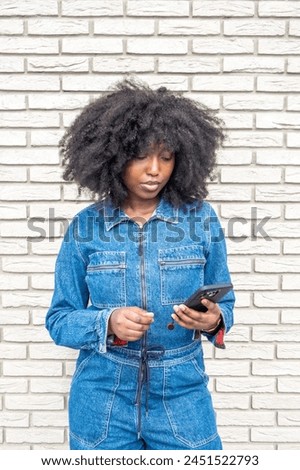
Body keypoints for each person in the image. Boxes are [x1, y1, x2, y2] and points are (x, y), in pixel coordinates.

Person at [46, 79, 235, 450]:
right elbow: (59, 319)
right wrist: (107, 322)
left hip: (182, 393)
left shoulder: (201, 221)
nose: (155, 170)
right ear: (113, 157)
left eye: (166, 157)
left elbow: (223, 302)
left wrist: (213, 320)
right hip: (102, 394)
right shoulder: (86, 227)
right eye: (141, 156)